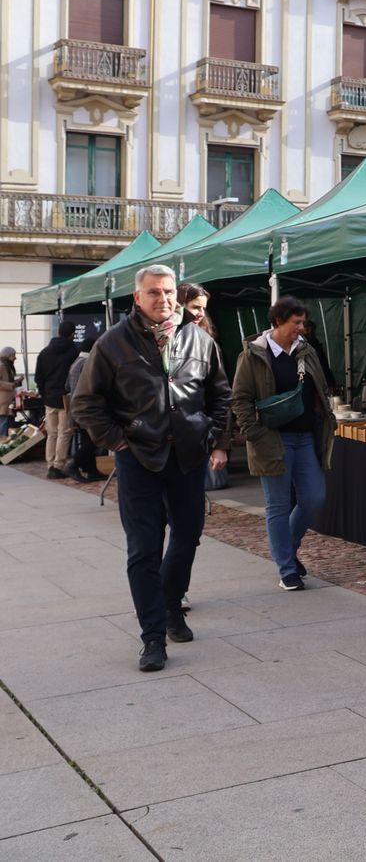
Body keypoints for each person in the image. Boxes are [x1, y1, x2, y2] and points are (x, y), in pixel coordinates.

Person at [73, 264, 230, 672]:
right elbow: (86, 403)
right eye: (155, 293)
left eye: (169, 292)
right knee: (143, 547)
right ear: (137, 298)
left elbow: (220, 394)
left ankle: (171, 603)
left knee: (188, 535)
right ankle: (153, 637)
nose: (164, 299)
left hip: (187, 457)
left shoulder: (198, 339)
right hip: (139, 458)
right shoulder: (113, 344)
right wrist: (118, 441)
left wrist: (208, 433)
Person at [232, 296, 335, 591]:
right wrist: (253, 433)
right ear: (277, 322)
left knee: (314, 497)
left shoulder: (306, 351)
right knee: (277, 504)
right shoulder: (253, 355)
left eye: (304, 323)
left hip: (305, 438)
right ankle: (287, 568)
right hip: (272, 437)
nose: (302, 328)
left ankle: (287, 551)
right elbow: (239, 399)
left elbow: (324, 384)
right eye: (296, 323)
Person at [36, 322, 79, 479]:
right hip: (65, 397)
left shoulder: (44, 352)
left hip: (49, 397)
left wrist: (44, 394)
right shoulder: (74, 352)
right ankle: (58, 466)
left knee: (52, 434)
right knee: (64, 433)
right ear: (72, 334)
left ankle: (50, 464)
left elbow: (38, 377)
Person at [62, 340, 95, 482]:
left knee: (87, 439)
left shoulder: (76, 362)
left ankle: (92, 470)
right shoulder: (87, 363)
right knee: (94, 441)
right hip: (87, 408)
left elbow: (67, 386)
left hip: (75, 408)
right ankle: (73, 464)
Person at [0, 346, 18, 436]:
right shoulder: (1, 366)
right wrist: (11, 385)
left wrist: (17, 382)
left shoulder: (8, 367)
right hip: (3, 403)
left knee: (9, 425)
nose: (15, 358)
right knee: (3, 425)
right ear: (8, 355)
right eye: (13, 355)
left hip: (8, 402)